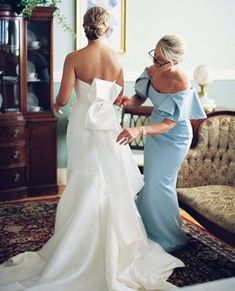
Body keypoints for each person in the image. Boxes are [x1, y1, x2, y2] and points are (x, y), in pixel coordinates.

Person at [0, 9, 184, 291]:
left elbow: (63, 98)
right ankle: (113, 244)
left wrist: (58, 105)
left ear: (85, 29)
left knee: (83, 177)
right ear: (107, 28)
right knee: (107, 181)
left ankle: (78, 245)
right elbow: (120, 97)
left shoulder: (74, 58)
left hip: (83, 125)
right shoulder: (116, 59)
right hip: (108, 125)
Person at [116, 34, 207, 253]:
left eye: (161, 61)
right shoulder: (151, 70)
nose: (155, 64)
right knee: (150, 181)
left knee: (162, 184)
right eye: (154, 57)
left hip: (175, 136)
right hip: (154, 131)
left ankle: (171, 239)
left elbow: (169, 125)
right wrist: (130, 101)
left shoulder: (181, 82)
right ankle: (147, 230)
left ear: (176, 62)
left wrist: (139, 130)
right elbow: (140, 97)